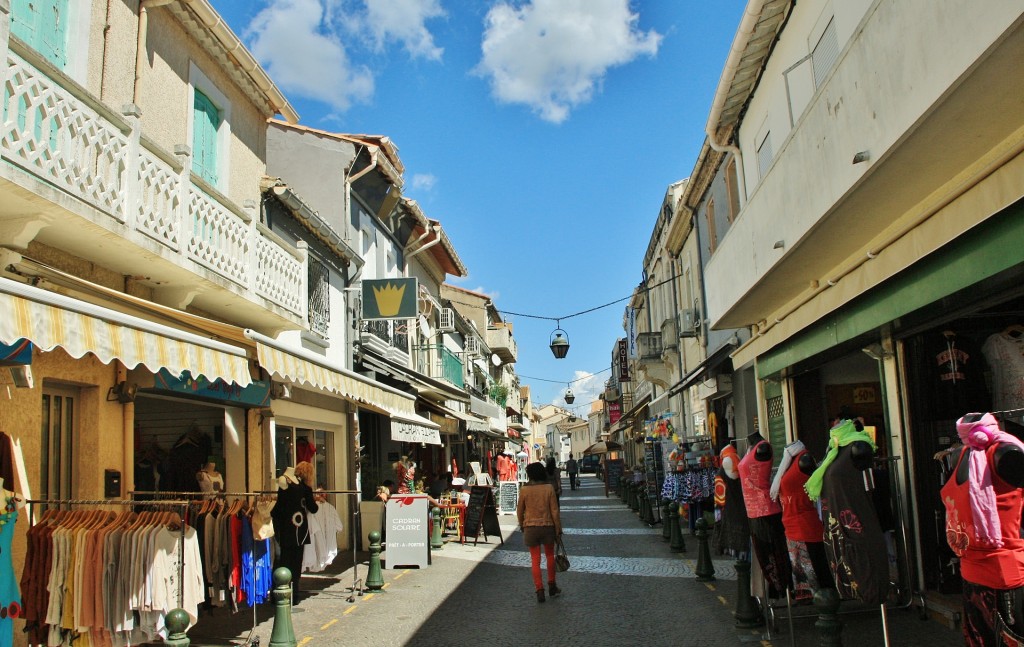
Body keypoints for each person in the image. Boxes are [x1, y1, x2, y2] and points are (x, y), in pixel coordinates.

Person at [272, 461, 319, 601]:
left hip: (288, 527)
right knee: (293, 562)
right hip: (298, 528)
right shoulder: (300, 485)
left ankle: (286, 593)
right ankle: (292, 594)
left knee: (286, 560)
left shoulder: (291, 483)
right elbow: (313, 508)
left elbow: (279, 507)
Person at [517, 462, 563, 603]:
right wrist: (558, 528)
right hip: (547, 526)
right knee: (549, 556)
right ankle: (551, 585)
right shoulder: (549, 488)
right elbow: (555, 511)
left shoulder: (524, 490)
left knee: (535, 560)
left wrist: (522, 524)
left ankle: (539, 590)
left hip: (531, 527)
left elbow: (520, 510)